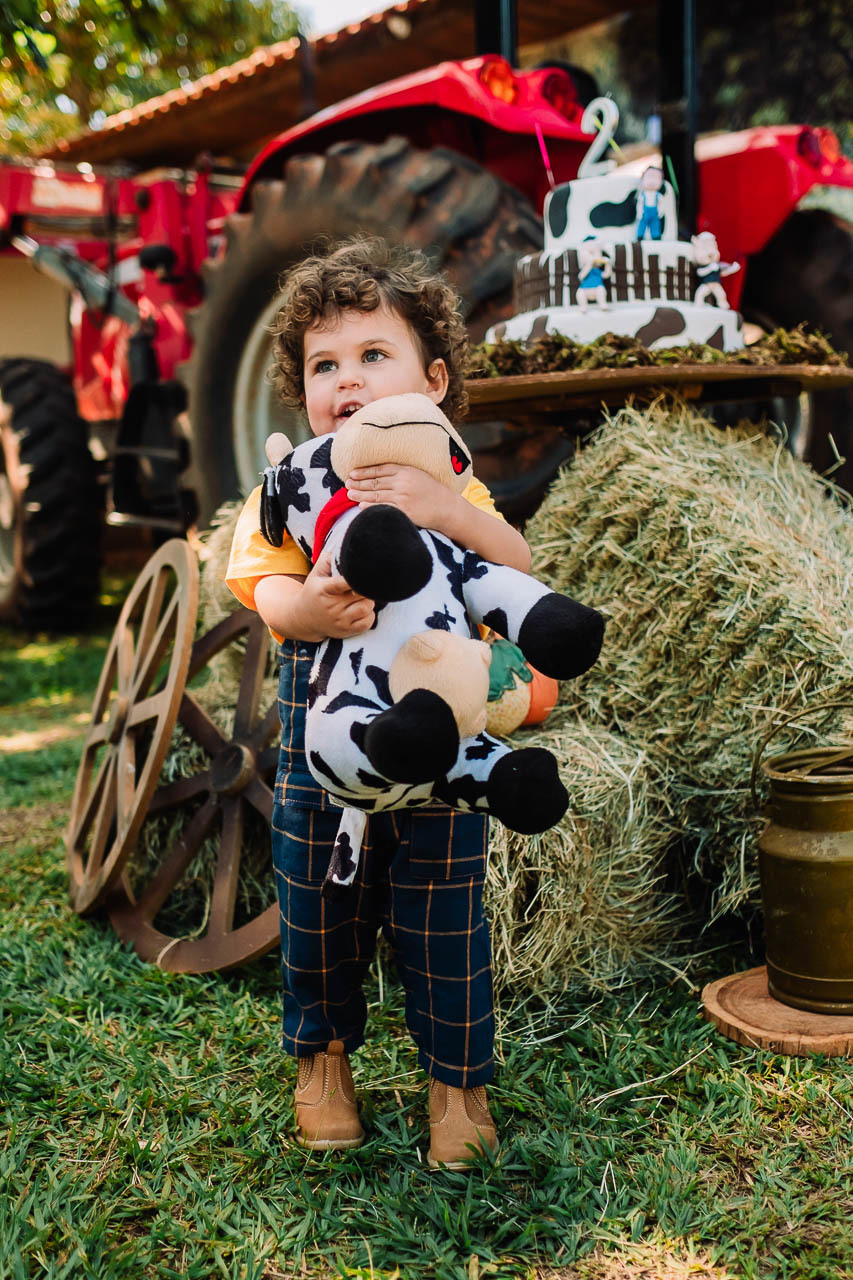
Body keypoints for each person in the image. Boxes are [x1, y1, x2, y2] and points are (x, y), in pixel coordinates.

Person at [225, 236, 531, 1170]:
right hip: (329, 742)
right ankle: (321, 1060)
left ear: (431, 381)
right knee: (318, 911)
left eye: (372, 355)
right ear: (303, 390)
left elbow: (513, 566)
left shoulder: (451, 480)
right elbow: (257, 583)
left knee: (444, 915)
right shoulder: (293, 483)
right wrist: (304, 608)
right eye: (325, 364)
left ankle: (457, 1083)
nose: (346, 381)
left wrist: (450, 515)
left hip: (439, 744)